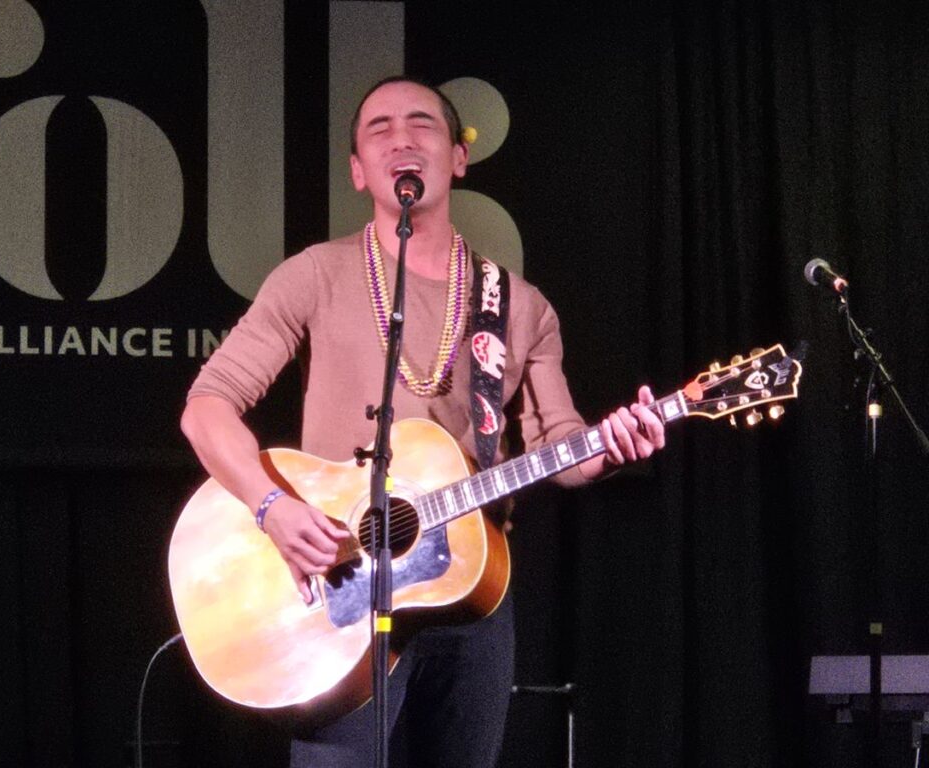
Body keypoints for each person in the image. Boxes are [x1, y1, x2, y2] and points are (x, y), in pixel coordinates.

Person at [180, 76, 666, 768]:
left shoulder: (519, 306)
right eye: (379, 129)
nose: (401, 139)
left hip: (472, 592)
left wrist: (610, 447)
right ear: (358, 171)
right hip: (337, 588)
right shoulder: (315, 275)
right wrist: (272, 508)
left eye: (422, 124)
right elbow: (207, 407)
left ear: (458, 158)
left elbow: (558, 441)